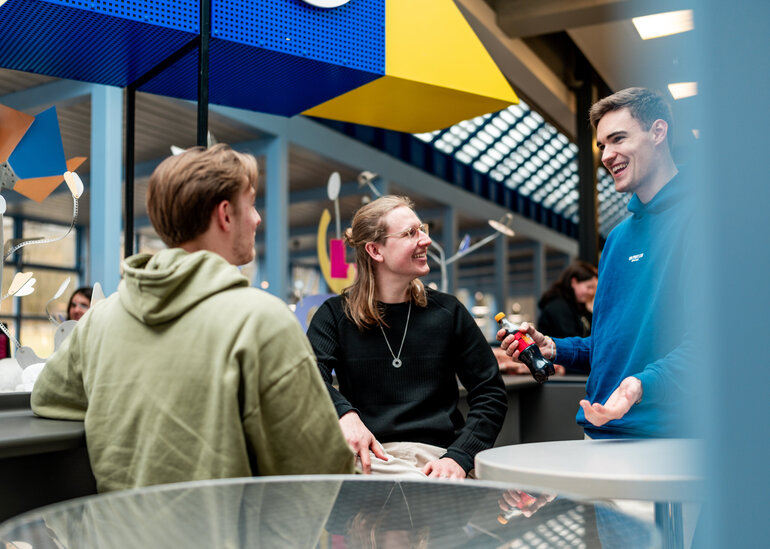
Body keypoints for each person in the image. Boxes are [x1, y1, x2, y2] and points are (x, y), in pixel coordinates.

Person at [31, 144, 355, 492]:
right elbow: (321, 468)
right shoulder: (262, 321)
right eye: (251, 204)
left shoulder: (100, 320)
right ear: (226, 214)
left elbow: (47, 398)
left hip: (116, 523)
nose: (257, 219)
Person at [499, 87, 693, 439]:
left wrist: (639, 386)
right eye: (602, 145)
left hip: (668, 436)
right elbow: (609, 344)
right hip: (599, 429)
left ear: (658, 132)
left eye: (618, 139)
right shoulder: (617, 239)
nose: (607, 155)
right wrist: (554, 348)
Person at [307, 195, 507, 479]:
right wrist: (343, 413)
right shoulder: (334, 315)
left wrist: (459, 457)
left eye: (422, 229)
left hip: (437, 460)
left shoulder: (448, 312)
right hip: (371, 460)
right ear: (375, 250)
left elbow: (490, 393)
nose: (426, 240)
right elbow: (309, 375)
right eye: (410, 233)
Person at [537, 261, 597, 339]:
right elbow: (570, 338)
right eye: (589, 287)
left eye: (594, 288)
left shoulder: (580, 308)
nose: (592, 292)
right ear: (574, 282)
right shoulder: (558, 307)